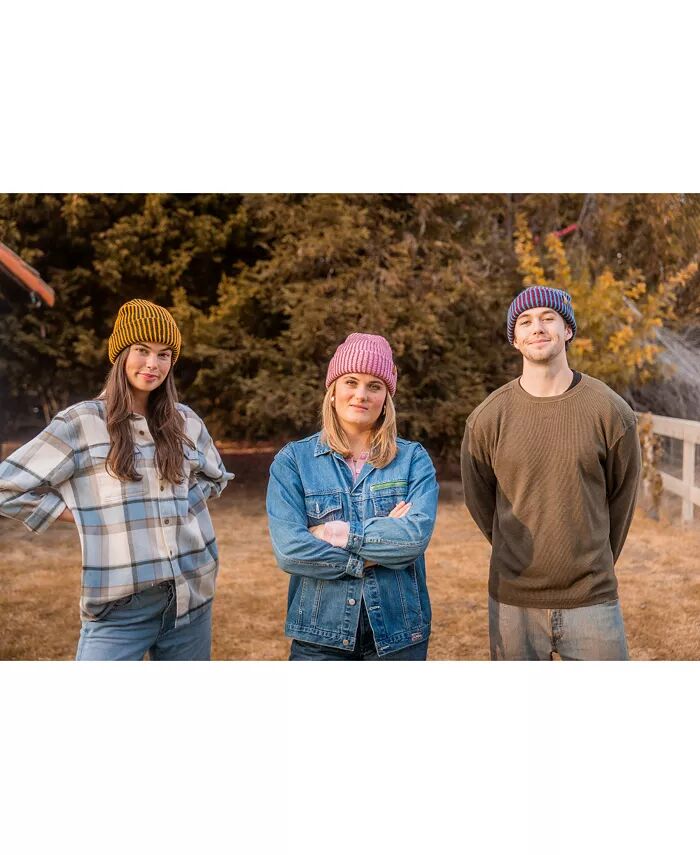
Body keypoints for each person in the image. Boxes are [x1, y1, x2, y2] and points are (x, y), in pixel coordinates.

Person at [0, 298, 233, 660]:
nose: (153, 364)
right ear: (121, 354)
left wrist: (176, 504)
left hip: (191, 593)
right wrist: (81, 514)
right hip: (119, 605)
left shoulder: (186, 422)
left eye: (164, 355)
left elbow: (215, 477)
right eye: (142, 350)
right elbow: (7, 487)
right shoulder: (81, 422)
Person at [461, 286, 641, 661]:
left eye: (548, 318)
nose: (537, 328)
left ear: (567, 329)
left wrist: (593, 562)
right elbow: (481, 503)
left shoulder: (609, 410)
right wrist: (514, 552)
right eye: (525, 322)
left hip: (592, 597)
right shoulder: (488, 418)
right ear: (515, 339)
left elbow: (622, 499)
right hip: (513, 599)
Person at [266, 332, 438, 660]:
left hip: (400, 633)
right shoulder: (294, 461)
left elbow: (412, 540)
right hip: (320, 636)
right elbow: (290, 551)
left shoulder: (412, 459)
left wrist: (333, 533)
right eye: (351, 382)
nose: (361, 395)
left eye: (374, 386)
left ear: (386, 398)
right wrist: (374, 551)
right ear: (333, 391)